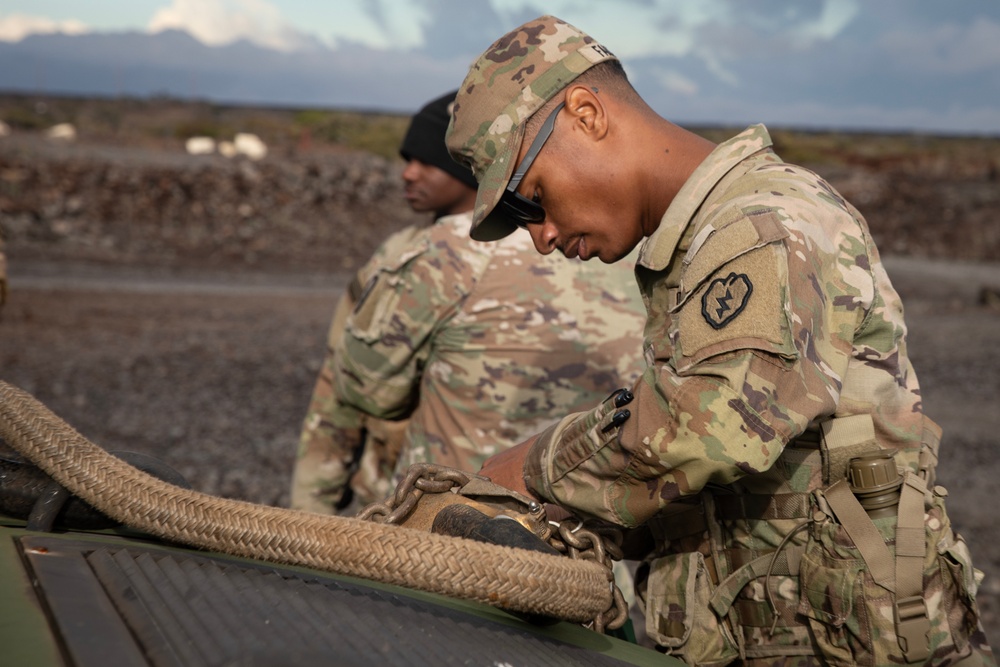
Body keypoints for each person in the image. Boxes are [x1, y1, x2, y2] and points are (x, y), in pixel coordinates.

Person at [445, 15, 994, 666]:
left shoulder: (764, 224)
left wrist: (535, 467)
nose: (539, 236)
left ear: (587, 113)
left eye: (530, 199)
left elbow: (707, 429)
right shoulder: (705, 244)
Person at [291, 90, 646, 516]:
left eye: (428, 161)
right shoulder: (613, 247)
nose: (408, 174)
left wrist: (311, 516)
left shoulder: (435, 255)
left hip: (450, 527)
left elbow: (356, 391)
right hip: (585, 531)